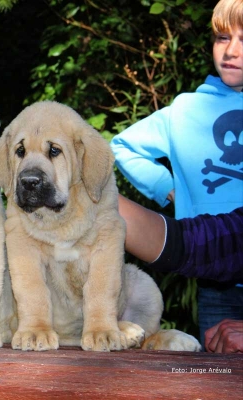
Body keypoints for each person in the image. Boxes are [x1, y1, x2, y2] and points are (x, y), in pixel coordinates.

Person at [111, 0, 243, 349]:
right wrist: (167, 189)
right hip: (213, 271)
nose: (231, 50)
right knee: (216, 372)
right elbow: (122, 145)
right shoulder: (184, 110)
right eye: (222, 37)